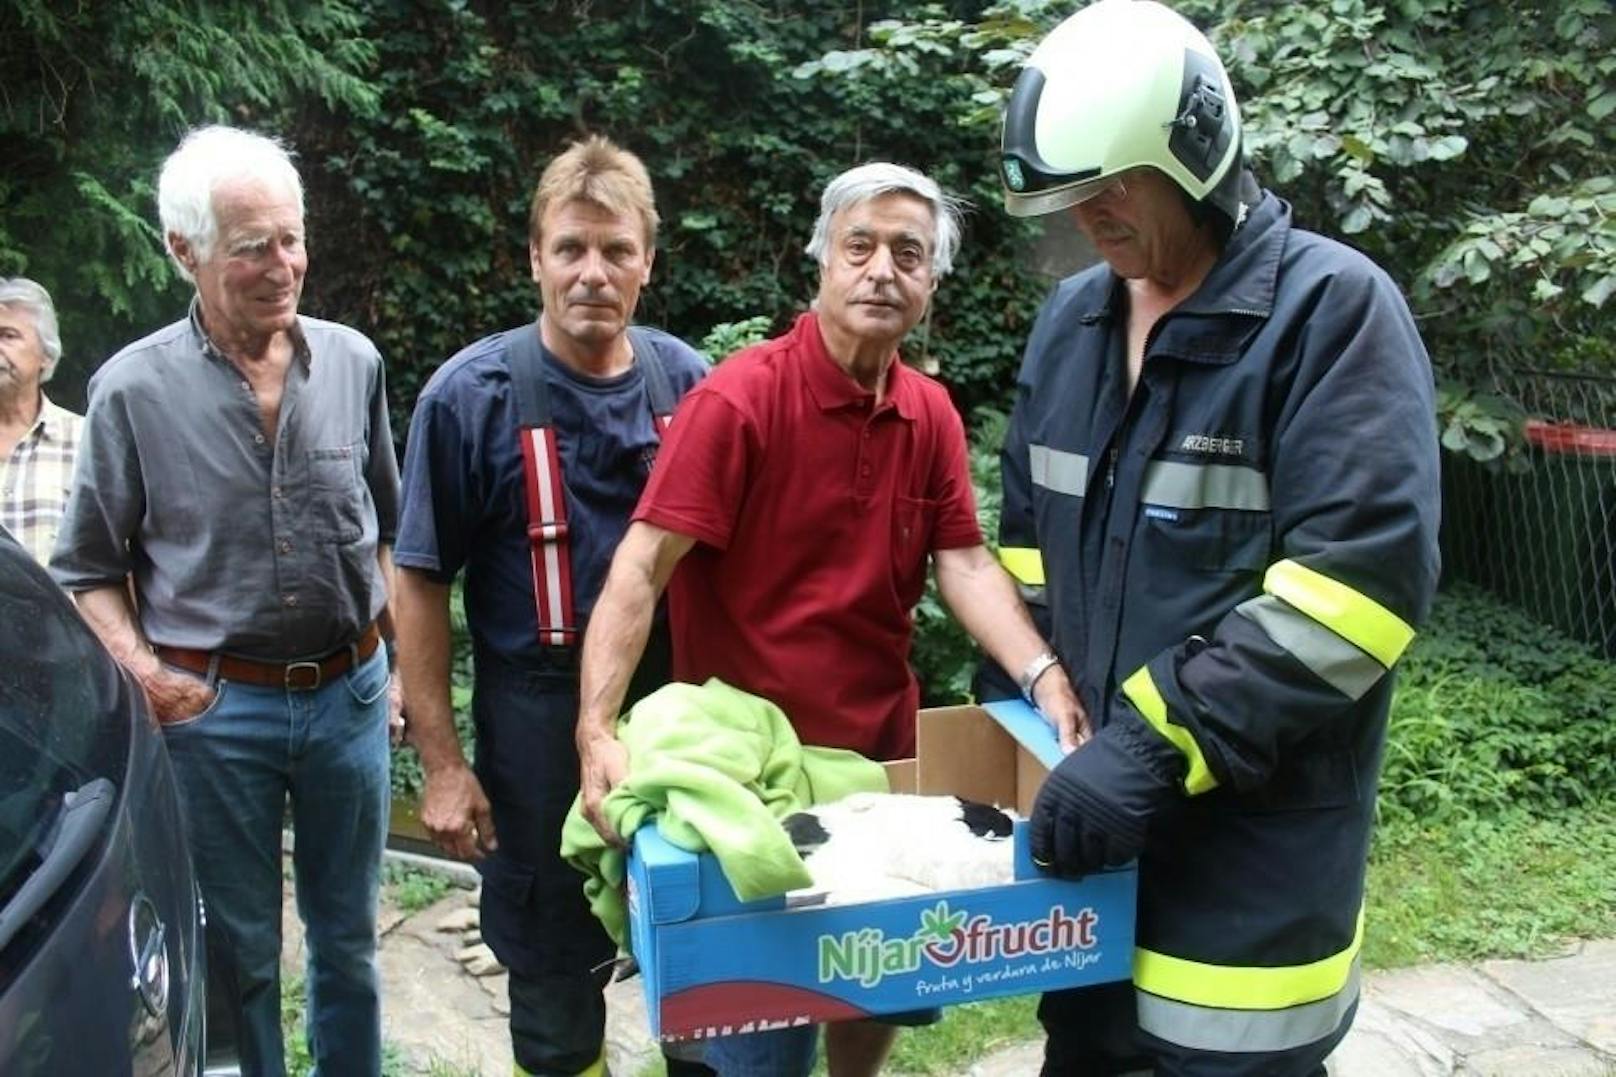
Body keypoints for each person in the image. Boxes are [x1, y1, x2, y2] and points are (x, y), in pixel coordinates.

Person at [993, 2, 1442, 1074]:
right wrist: (1034, 677)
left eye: (1112, 188)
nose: (1088, 219)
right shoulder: (1072, 323)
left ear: (1194, 152)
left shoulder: (1328, 314)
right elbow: (1028, 542)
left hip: (1246, 888)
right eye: (1069, 198)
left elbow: (1357, 586)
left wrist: (1147, 750)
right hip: (1091, 865)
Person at [576, 161, 1087, 1077]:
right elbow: (641, 566)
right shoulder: (739, 401)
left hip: (879, 764)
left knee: (880, 983)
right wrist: (597, 731)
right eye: (861, 246)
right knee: (757, 1039)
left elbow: (964, 561)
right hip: (754, 779)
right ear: (823, 262)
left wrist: (1044, 675)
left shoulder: (927, 413)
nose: (882, 270)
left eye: (909, 254)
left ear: (931, 283)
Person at [51, 125, 402, 1077]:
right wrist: (148, 677)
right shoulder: (130, 391)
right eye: (253, 246)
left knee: (350, 941)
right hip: (216, 710)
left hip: (350, 699)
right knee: (241, 950)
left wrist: (394, 671)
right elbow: (88, 568)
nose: (283, 264)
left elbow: (386, 532)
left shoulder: (355, 363)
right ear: (185, 250)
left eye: (291, 237)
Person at [392, 135, 710, 1077]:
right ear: (534, 258)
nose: (592, 273)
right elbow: (416, 582)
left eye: (616, 251)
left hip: (672, 715)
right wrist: (444, 767)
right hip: (530, 725)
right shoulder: (468, 398)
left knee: (699, 960)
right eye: (570, 248)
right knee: (553, 990)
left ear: (648, 261)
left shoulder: (688, 386)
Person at [0, 277, 82, 567]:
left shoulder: (86, 442)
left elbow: (120, 553)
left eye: (8, 335)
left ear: (46, 355)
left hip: (59, 613)